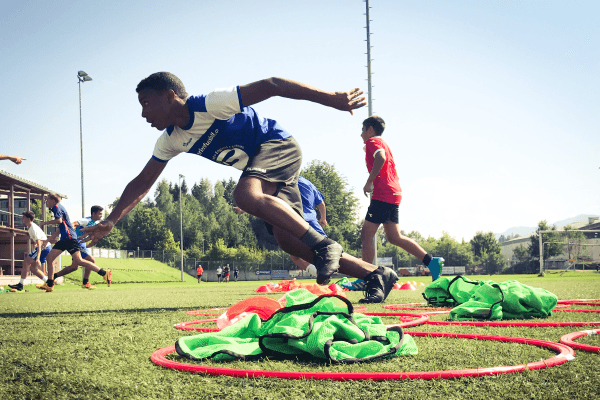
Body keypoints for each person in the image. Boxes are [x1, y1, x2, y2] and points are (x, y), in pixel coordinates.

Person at [80, 72, 397, 303]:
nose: (143, 113)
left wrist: (332, 99)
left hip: (279, 145)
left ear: (169, 96)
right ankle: (375, 274)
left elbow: (272, 85)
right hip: (268, 171)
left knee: (245, 195)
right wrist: (112, 219)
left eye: (146, 103)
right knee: (288, 240)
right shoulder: (170, 140)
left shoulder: (210, 104)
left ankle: (326, 246)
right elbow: (142, 181)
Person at [359, 116, 444, 282]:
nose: (361, 134)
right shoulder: (382, 143)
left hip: (383, 193)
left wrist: (369, 182)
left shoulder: (373, 141)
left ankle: (365, 277)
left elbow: (381, 158)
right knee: (394, 237)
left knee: (366, 234)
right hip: (393, 193)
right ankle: (432, 262)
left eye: (362, 129)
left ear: (370, 129)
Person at [37, 194, 109, 292]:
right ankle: (50, 284)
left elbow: (59, 221)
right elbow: (61, 227)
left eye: (47, 200)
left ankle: (103, 273)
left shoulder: (57, 207)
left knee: (79, 261)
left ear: (53, 200)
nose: (46, 202)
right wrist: (47, 240)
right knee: (50, 258)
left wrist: (44, 223)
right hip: (65, 239)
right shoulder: (57, 208)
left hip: (70, 238)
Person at [55, 205, 106, 290]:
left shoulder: (95, 223)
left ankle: (53, 276)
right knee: (91, 259)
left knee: (74, 267)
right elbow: (74, 223)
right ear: (94, 213)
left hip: (82, 244)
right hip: (77, 243)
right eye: (100, 213)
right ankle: (86, 282)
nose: (101, 215)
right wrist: (71, 232)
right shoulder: (86, 220)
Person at [8, 211, 49, 292]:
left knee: (26, 262)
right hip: (45, 247)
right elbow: (37, 243)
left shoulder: (33, 228)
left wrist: (37, 258)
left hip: (44, 247)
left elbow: (39, 243)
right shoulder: (30, 227)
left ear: (28, 219)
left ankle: (20, 284)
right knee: (33, 269)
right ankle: (48, 283)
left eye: (23, 217)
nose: (22, 218)